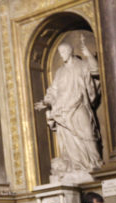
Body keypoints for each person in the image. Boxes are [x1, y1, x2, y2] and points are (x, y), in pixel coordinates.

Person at [35, 39, 101, 173]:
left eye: (64, 51)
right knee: (69, 141)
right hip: (63, 111)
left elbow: (96, 70)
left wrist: (88, 54)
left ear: (70, 51)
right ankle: (77, 166)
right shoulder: (60, 72)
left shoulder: (82, 65)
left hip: (78, 106)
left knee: (87, 134)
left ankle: (94, 162)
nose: (62, 55)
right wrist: (46, 102)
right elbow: (53, 90)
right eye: (60, 52)